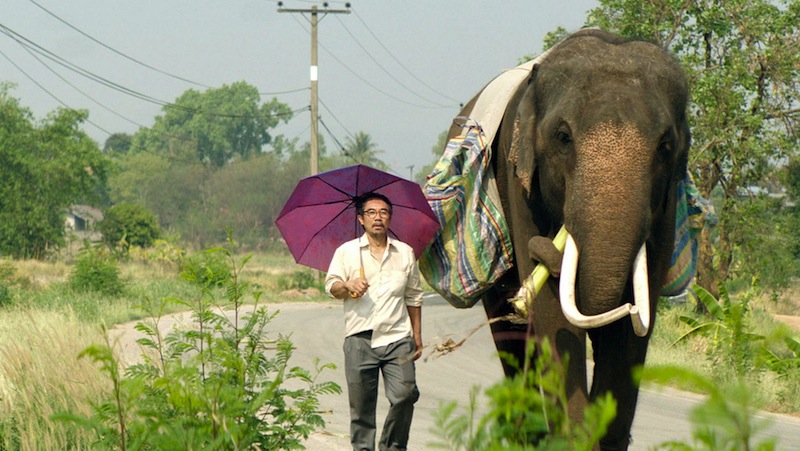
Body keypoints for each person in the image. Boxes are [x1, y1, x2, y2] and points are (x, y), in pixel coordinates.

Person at [325, 192, 423, 451]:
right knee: (362, 412)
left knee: (405, 395)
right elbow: (331, 287)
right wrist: (347, 285)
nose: (378, 217)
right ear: (360, 218)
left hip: (398, 339)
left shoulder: (404, 252)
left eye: (383, 212)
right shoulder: (346, 252)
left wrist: (417, 336)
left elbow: (414, 296)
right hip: (360, 339)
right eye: (371, 213)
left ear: (390, 218)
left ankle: (391, 447)